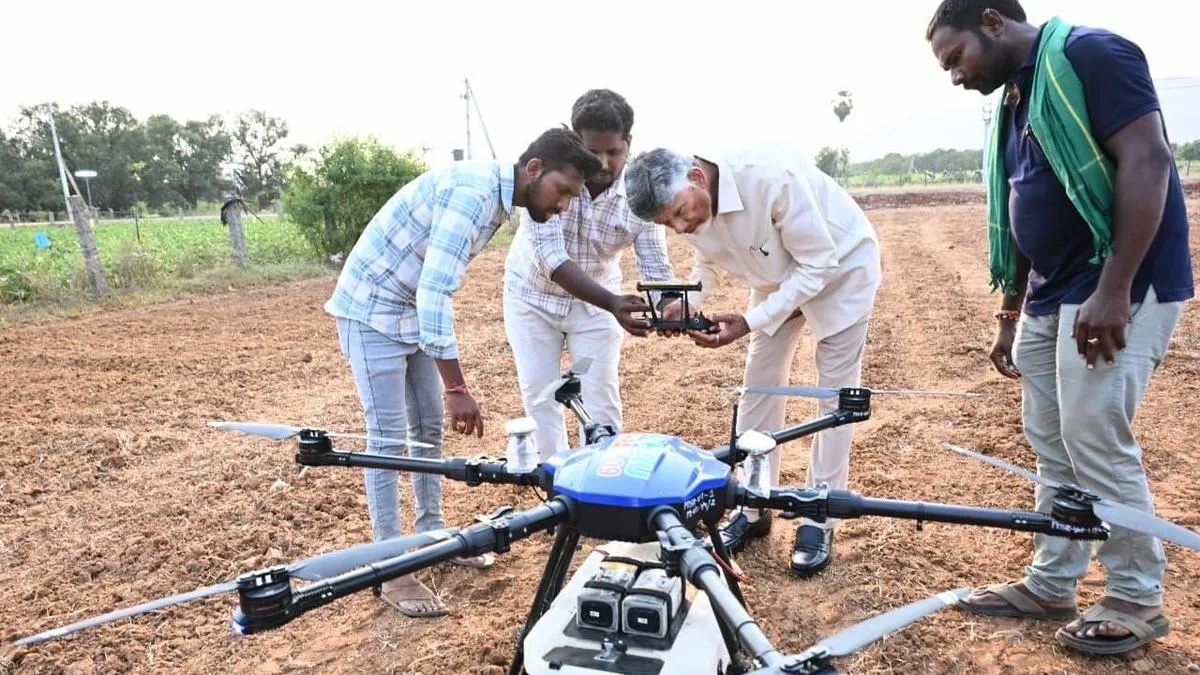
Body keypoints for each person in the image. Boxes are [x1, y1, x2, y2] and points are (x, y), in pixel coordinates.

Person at [926, 0, 1193, 654]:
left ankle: (1135, 597)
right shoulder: (1019, 96)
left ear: (992, 21)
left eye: (954, 58)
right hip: (1054, 290)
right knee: (1051, 437)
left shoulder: (1093, 55)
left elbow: (1149, 160)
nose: (954, 77)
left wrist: (1115, 288)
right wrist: (1010, 310)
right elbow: (1024, 198)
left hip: (1114, 283)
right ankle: (1053, 580)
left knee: (1093, 434)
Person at [324, 128, 601, 618]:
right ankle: (391, 570)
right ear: (533, 169)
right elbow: (435, 292)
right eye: (562, 192)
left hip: (406, 310)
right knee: (388, 440)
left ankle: (433, 539)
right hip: (371, 310)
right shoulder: (474, 196)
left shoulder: (505, 198)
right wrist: (456, 386)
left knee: (428, 429)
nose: (561, 207)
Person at [623, 142, 881, 578]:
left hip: (839, 272)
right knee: (758, 390)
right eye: (669, 223)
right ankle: (754, 502)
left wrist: (749, 320)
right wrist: (685, 303)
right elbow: (707, 258)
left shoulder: (770, 178)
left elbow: (817, 264)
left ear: (698, 177)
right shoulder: (691, 203)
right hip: (775, 282)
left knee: (835, 400)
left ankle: (819, 513)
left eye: (681, 213)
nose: (682, 226)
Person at [503, 88, 673, 461]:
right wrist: (612, 303)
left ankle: (600, 487)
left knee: (600, 395)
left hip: (595, 305)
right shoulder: (550, 174)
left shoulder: (641, 191)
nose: (604, 162)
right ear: (575, 144)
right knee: (540, 395)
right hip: (532, 297)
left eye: (614, 151)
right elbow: (552, 259)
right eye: (593, 151)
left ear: (629, 144)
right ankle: (557, 491)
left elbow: (655, 264)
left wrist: (672, 307)